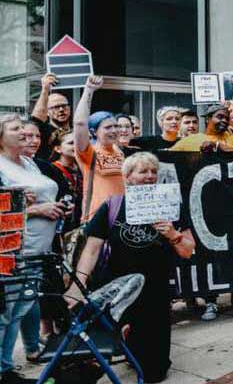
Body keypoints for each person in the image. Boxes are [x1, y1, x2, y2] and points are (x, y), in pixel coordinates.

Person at [66, 152, 195, 382]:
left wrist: (173, 234)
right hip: (117, 284)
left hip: (154, 286)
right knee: (96, 349)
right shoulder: (113, 206)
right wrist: (79, 283)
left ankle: (135, 345)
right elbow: (92, 248)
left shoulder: (171, 206)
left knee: (154, 372)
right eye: (142, 171)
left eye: (153, 172)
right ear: (128, 177)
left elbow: (188, 250)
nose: (149, 176)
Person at [0, 114, 65, 384]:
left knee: (20, 310)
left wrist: (57, 208)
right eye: (16, 129)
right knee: (6, 313)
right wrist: (36, 208)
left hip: (38, 248)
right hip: (13, 251)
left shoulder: (27, 162)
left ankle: (5, 368)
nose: (25, 133)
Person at [73, 76, 125, 222]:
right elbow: (79, 123)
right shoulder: (88, 153)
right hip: (97, 219)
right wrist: (88, 90)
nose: (114, 130)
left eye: (116, 126)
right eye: (108, 127)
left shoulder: (120, 152)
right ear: (94, 132)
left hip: (121, 219)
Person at [30, 73, 72, 160]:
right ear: (47, 112)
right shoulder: (43, 131)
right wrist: (45, 89)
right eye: (56, 107)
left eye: (64, 105)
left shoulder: (76, 131)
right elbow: (36, 120)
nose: (61, 109)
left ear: (69, 108)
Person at [169, 104, 233, 152]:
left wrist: (217, 145)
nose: (224, 121)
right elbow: (168, 156)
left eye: (227, 118)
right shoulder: (191, 140)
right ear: (208, 119)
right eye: (220, 117)